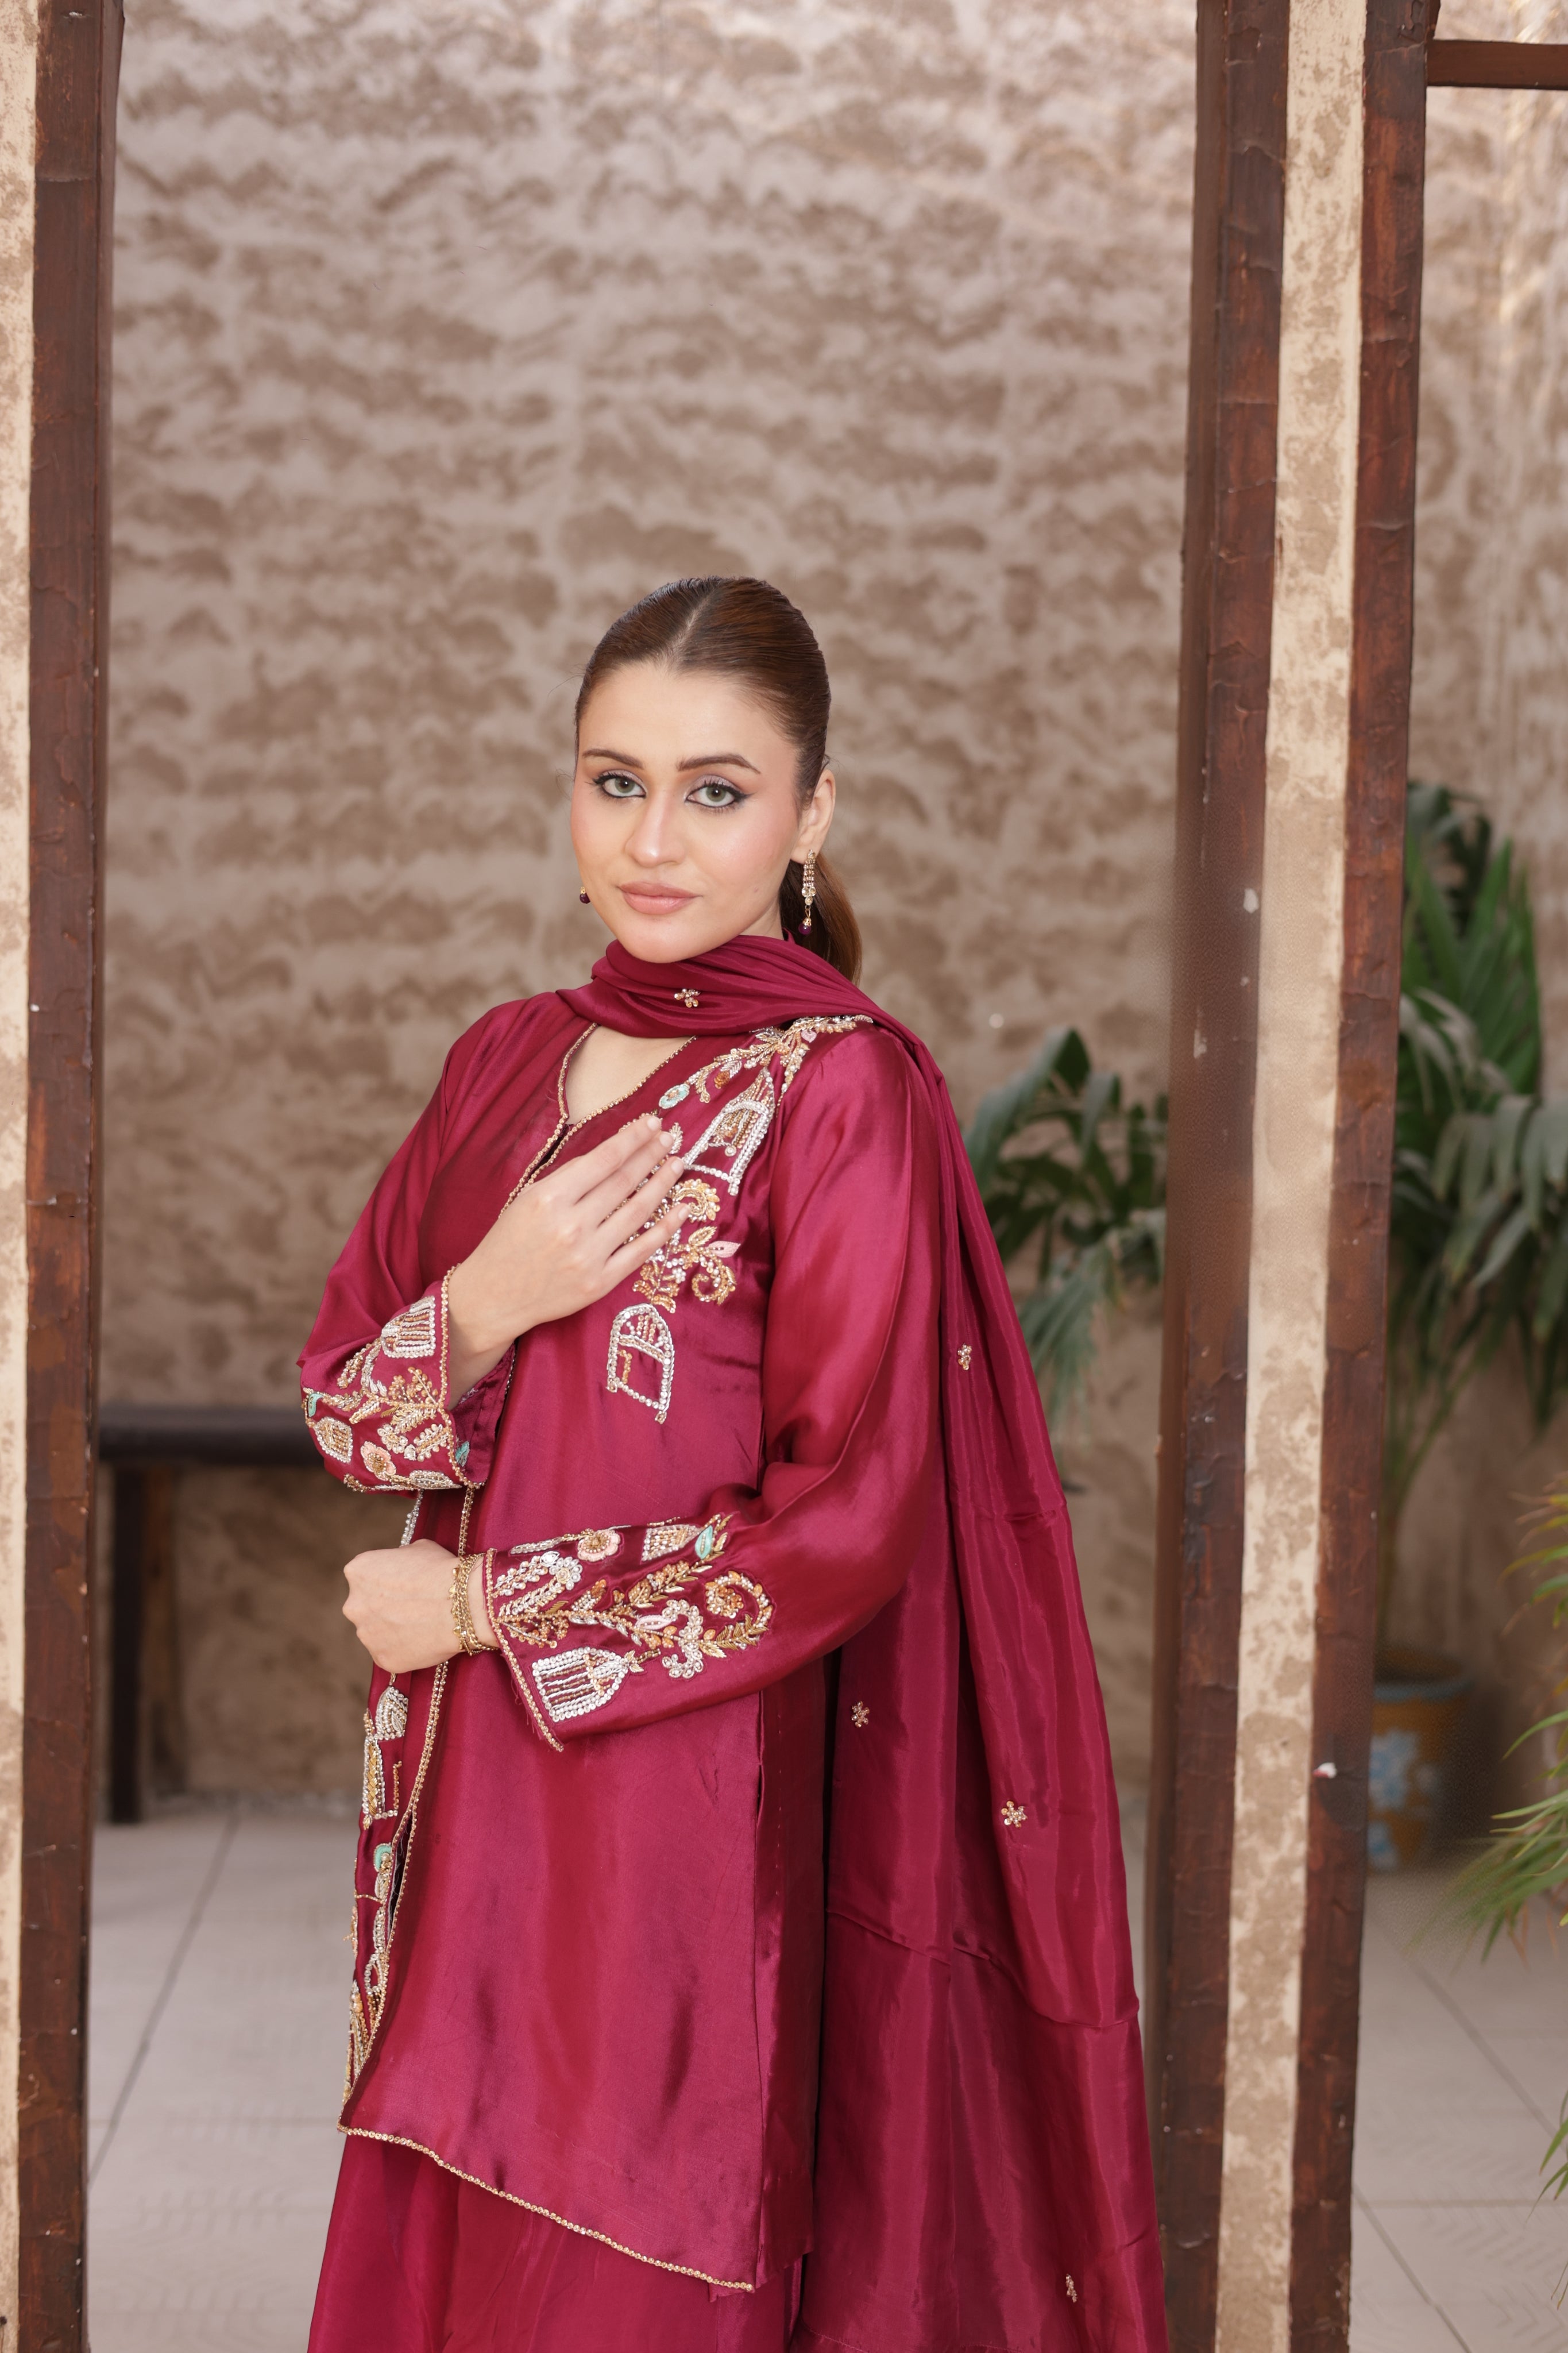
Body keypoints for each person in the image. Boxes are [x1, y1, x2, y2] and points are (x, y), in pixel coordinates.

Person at [300, 577, 1165, 2353]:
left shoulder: (841, 1094)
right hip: (472, 1788)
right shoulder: (505, 1061)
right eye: (614, 781)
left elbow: (845, 1519)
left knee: (636, 2235)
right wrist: (486, 1302)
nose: (653, 840)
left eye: (716, 790)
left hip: (685, 1798)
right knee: (457, 2185)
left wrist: (479, 1606)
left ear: (809, 815)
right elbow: (341, 1399)